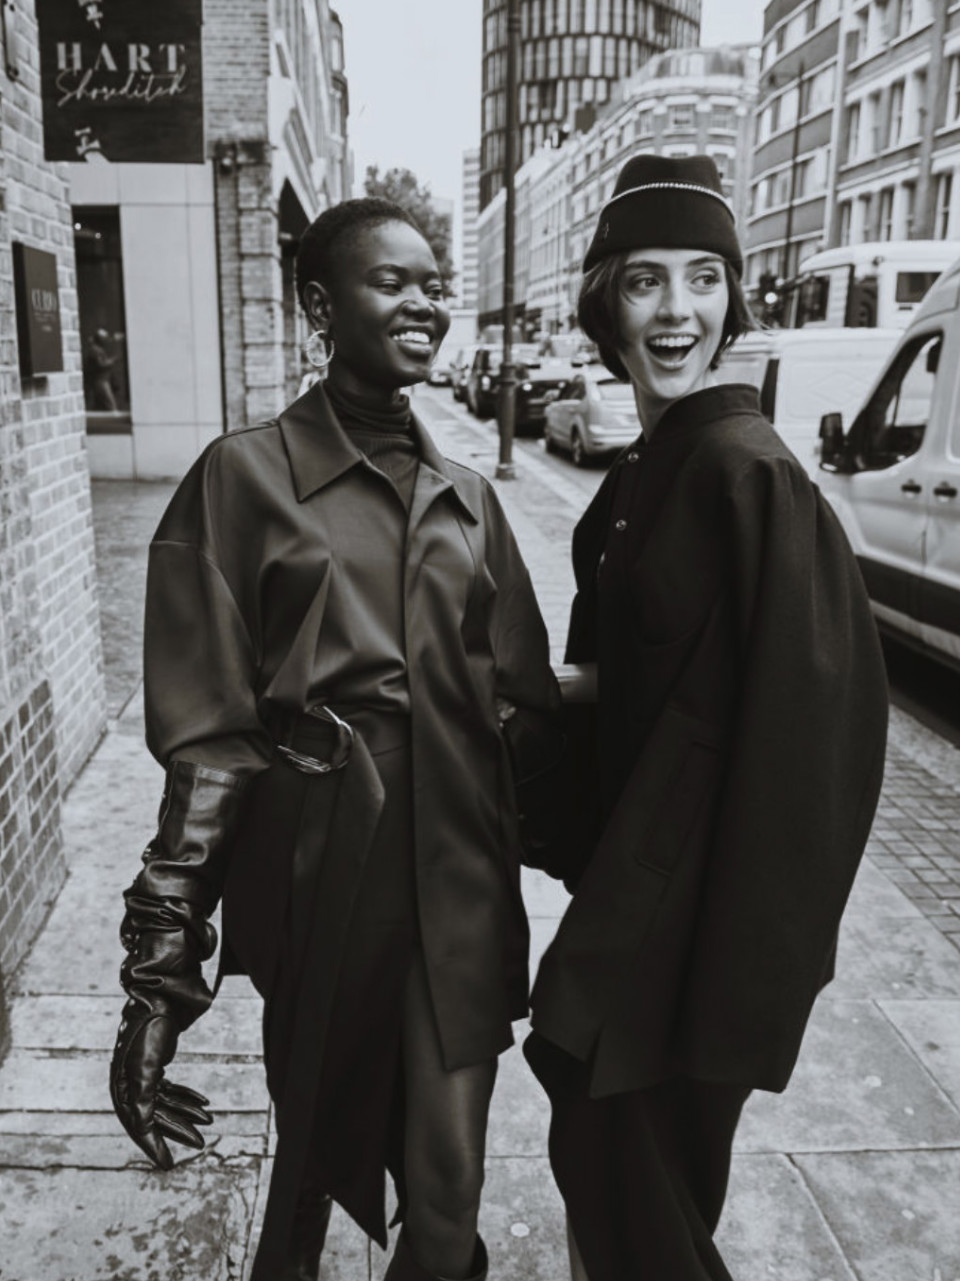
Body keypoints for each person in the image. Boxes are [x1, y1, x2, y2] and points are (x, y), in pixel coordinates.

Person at [108, 197, 561, 1281]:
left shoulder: (470, 498)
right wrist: (159, 979)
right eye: (391, 281)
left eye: (433, 284)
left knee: (449, 1182)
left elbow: (525, 706)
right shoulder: (241, 477)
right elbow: (210, 744)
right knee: (313, 1143)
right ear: (319, 305)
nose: (424, 303)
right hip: (324, 863)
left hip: (461, 860)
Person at [524, 155, 889, 1281]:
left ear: (734, 298)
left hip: (707, 918)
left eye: (704, 278)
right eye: (645, 280)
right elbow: (656, 676)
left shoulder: (747, 471)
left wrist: (748, 966)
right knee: (619, 1160)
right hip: (640, 883)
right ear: (606, 303)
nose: (677, 310)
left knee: (626, 1167)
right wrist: (523, 688)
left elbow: (819, 731)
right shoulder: (652, 465)